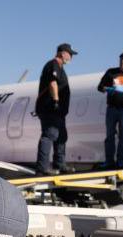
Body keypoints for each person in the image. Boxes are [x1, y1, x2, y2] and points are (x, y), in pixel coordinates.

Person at [34, 44, 76, 176]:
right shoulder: (53, 65)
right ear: (62, 53)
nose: (71, 57)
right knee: (50, 134)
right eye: (70, 54)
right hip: (50, 108)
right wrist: (56, 101)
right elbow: (53, 83)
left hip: (59, 111)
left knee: (62, 136)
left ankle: (59, 163)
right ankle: (42, 167)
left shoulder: (61, 68)